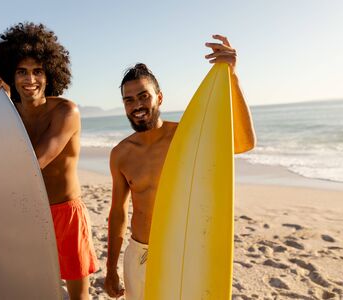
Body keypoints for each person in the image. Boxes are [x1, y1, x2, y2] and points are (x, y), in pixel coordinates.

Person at [103, 35, 256, 299]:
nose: (137, 105)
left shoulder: (185, 136)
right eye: (129, 100)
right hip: (139, 253)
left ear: (159, 98)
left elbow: (243, 142)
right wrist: (110, 268)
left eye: (143, 96)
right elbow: (118, 212)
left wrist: (232, 76)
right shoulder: (121, 154)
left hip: (183, 250)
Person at [0, 22, 98, 300]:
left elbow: (35, 161)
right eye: (21, 72)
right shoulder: (8, 112)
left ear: (49, 74)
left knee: (79, 296)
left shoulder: (66, 111)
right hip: (27, 210)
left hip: (65, 213)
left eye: (37, 71)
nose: (30, 80)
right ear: (11, 76)